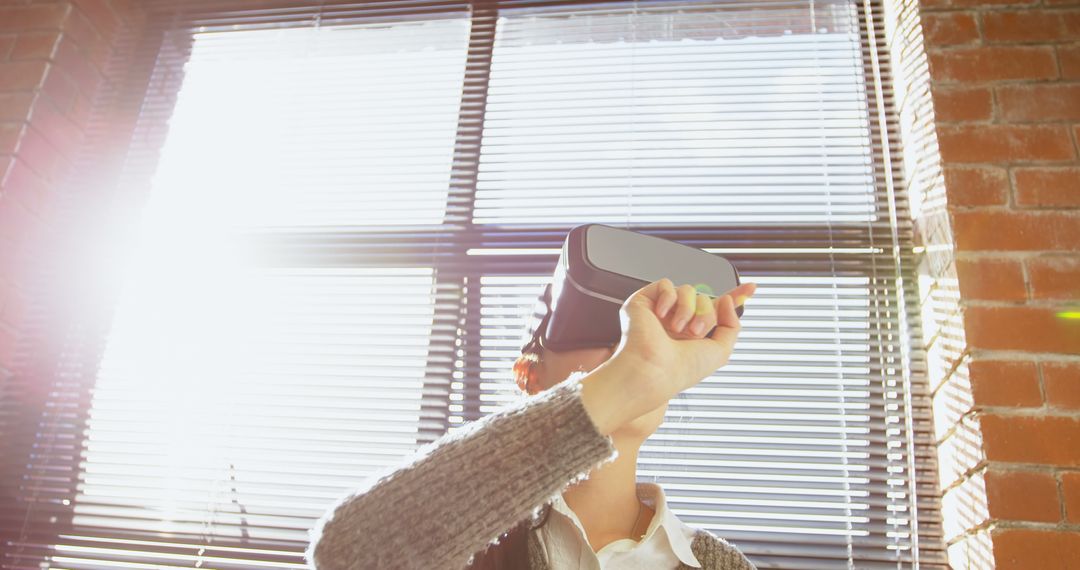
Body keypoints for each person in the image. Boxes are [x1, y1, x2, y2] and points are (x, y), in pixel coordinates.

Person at [306, 277, 759, 569]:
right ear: (531, 375)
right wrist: (623, 380)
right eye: (602, 323)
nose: (630, 343)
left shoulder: (721, 566)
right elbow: (345, 555)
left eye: (651, 333)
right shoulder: (464, 547)